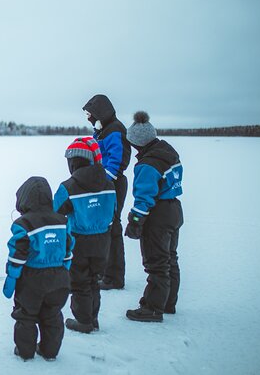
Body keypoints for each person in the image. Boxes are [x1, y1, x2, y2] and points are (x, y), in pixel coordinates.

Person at [3, 176, 73, 362]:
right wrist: (64, 269)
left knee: (26, 315)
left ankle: (25, 352)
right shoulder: (62, 220)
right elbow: (68, 249)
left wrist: (11, 277)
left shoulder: (23, 224)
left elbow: (17, 254)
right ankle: (50, 351)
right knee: (52, 315)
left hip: (32, 279)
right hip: (59, 278)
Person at [123, 111, 184, 322]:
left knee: (157, 262)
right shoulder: (169, 154)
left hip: (157, 215)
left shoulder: (147, 165)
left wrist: (135, 222)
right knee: (170, 259)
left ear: (138, 144)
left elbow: (144, 198)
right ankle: (168, 303)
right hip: (174, 210)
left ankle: (153, 308)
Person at [53, 137, 117, 333]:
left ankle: (83, 321)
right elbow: (114, 210)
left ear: (73, 162)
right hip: (103, 240)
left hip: (78, 241)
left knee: (79, 282)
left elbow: (55, 212)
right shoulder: (109, 184)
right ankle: (93, 318)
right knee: (94, 280)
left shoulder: (68, 186)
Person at [82, 94, 131, 290]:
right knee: (104, 228)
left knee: (112, 229)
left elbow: (116, 162)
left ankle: (114, 276)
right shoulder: (103, 131)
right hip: (104, 185)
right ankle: (105, 270)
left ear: (100, 113)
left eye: (90, 114)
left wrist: (102, 182)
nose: (88, 118)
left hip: (113, 185)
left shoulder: (115, 131)